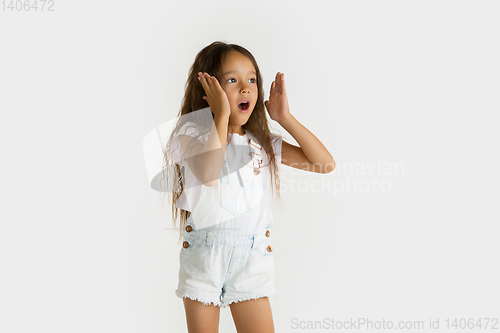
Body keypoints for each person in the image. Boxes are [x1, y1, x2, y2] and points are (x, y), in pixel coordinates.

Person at [162, 41, 335, 333]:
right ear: (208, 90)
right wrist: (221, 117)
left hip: (252, 258)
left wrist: (285, 119)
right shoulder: (190, 134)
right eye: (232, 80)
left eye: (252, 80)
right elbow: (208, 173)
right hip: (205, 256)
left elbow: (324, 164)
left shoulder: (262, 143)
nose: (246, 88)